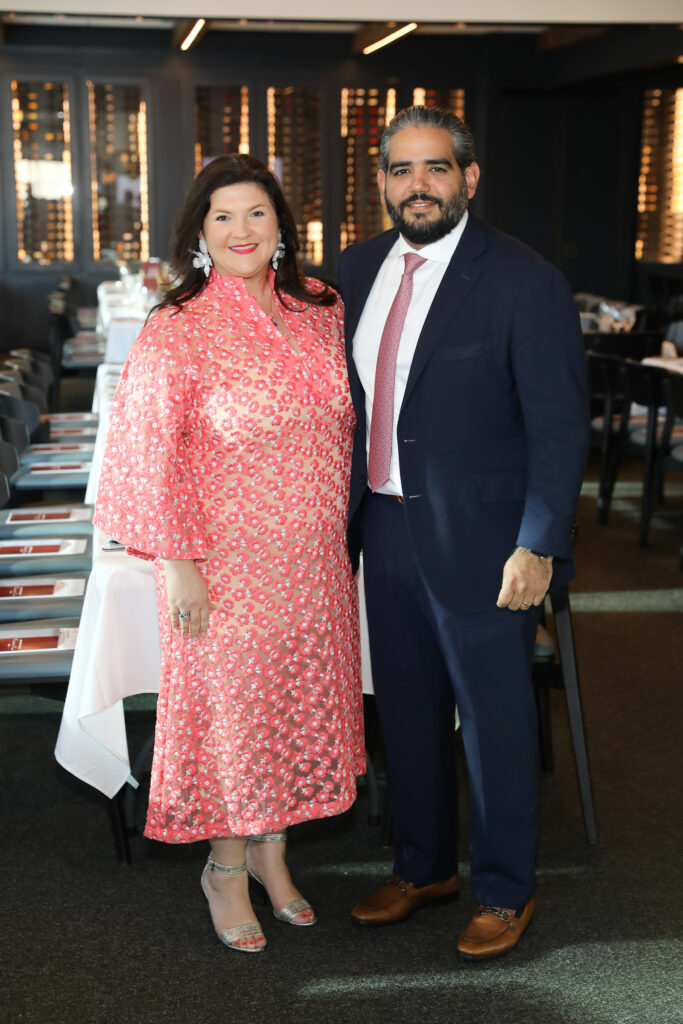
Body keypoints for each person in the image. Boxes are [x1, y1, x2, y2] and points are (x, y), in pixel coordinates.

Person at [94, 154, 365, 953]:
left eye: (255, 213)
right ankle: (225, 868)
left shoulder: (319, 308)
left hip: (312, 556)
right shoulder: (178, 327)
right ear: (200, 234)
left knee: (292, 702)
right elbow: (146, 450)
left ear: (280, 225)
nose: (241, 230)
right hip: (223, 561)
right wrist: (175, 560)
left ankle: (275, 858)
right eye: (223, 217)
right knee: (234, 717)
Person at [337, 105, 590, 960]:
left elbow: (558, 426)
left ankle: (504, 889)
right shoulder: (354, 271)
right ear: (380, 182)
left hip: (490, 545)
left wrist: (539, 543)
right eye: (400, 170)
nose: (417, 186)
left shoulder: (523, 280)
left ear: (468, 179)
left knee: (493, 722)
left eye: (435, 168)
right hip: (383, 527)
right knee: (404, 712)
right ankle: (422, 867)